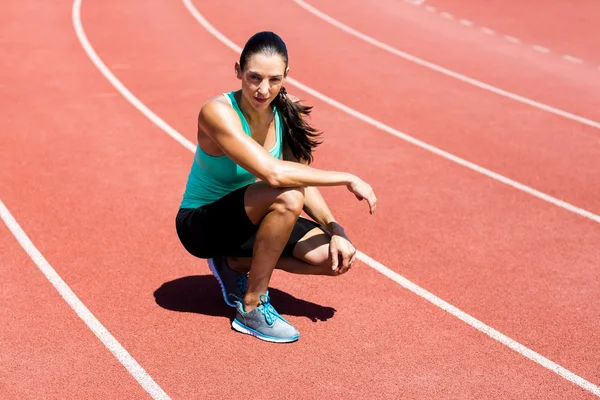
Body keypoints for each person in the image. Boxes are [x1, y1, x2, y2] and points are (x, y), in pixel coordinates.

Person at [176, 31, 376, 343]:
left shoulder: (287, 110)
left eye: (273, 79)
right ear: (238, 70)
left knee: (330, 258)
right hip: (202, 224)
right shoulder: (217, 113)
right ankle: (252, 306)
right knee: (287, 195)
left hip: (251, 219)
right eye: (254, 77)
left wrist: (337, 230)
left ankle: (234, 263)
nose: (263, 89)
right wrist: (347, 177)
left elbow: (300, 176)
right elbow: (275, 175)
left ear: (286, 76)